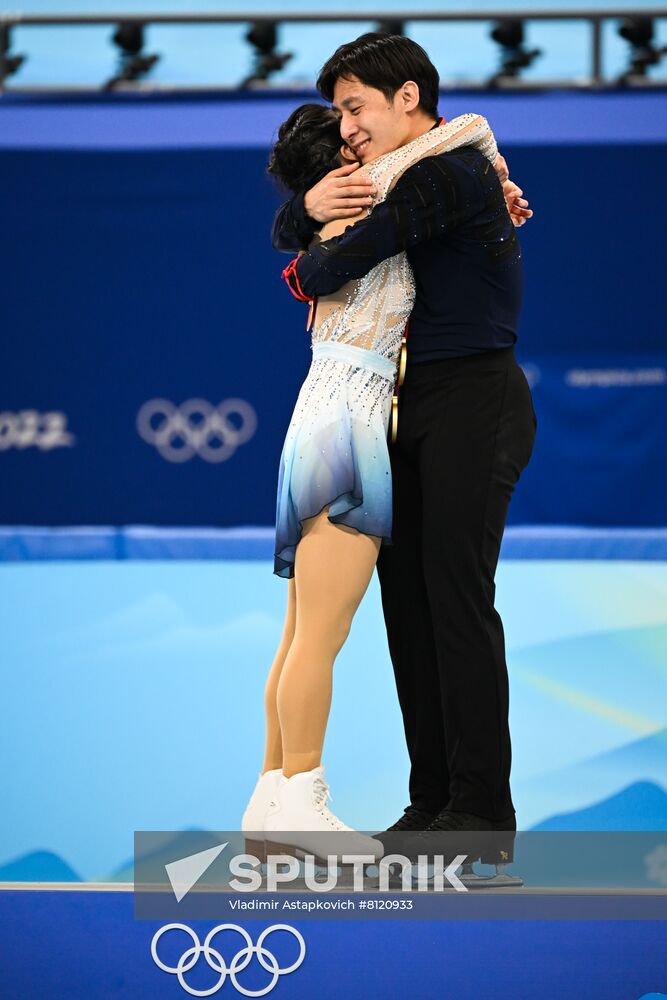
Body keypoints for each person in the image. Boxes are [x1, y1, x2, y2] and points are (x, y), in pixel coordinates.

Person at [271, 33, 537, 867]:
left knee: (455, 601)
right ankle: (433, 801)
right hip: (406, 407)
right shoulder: (426, 172)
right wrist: (304, 213)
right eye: (341, 112)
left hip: (474, 400)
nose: (348, 129)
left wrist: (309, 229)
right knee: (409, 610)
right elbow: (306, 220)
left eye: (357, 108)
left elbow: (330, 262)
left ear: (409, 97)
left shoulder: (448, 169)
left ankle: (483, 813)